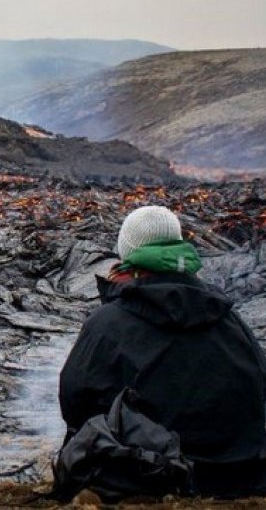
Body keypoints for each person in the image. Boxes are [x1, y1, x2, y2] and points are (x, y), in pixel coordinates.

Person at [59, 205, 266, 497]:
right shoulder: (228, 318)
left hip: (154, 475)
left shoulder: (107, 324)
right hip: (240, 475)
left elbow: (75, 402)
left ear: (127, 252)